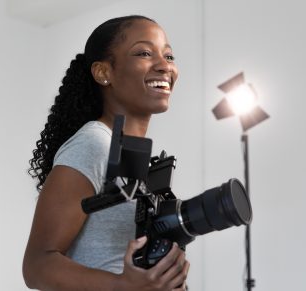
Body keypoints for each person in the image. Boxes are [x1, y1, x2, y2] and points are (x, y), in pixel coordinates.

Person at [23, 15, 189, 291]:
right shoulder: (93, 144)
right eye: (144, 53)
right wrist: (123, 285)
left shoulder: (135, 158)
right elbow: (37, 265)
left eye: (169, 56)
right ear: (103, 73)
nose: (164, 66)